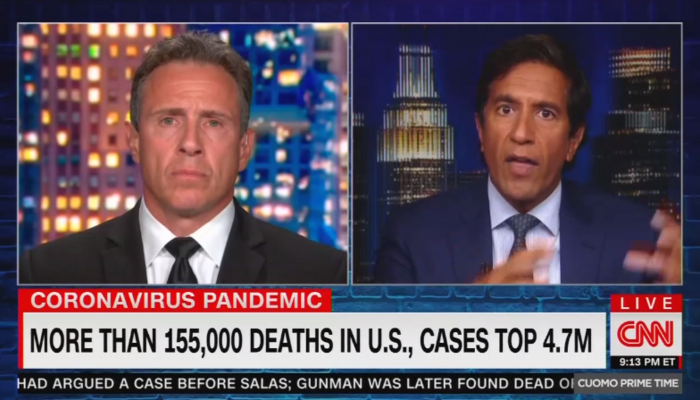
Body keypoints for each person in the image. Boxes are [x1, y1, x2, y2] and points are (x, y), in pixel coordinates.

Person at [20, 31, 347, 285]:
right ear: (134, 140)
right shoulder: (49, 274)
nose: (190, 144)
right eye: (168, 121)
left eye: (213, 123)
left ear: (244, 148)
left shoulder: (322, 276)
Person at [373, 34, 681, 285]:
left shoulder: (636, 239)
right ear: (481, 129)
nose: (521, 133)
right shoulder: (412, 236)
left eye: (545, 113)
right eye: (506, 110)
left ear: (573, 141)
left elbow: (656, 343)